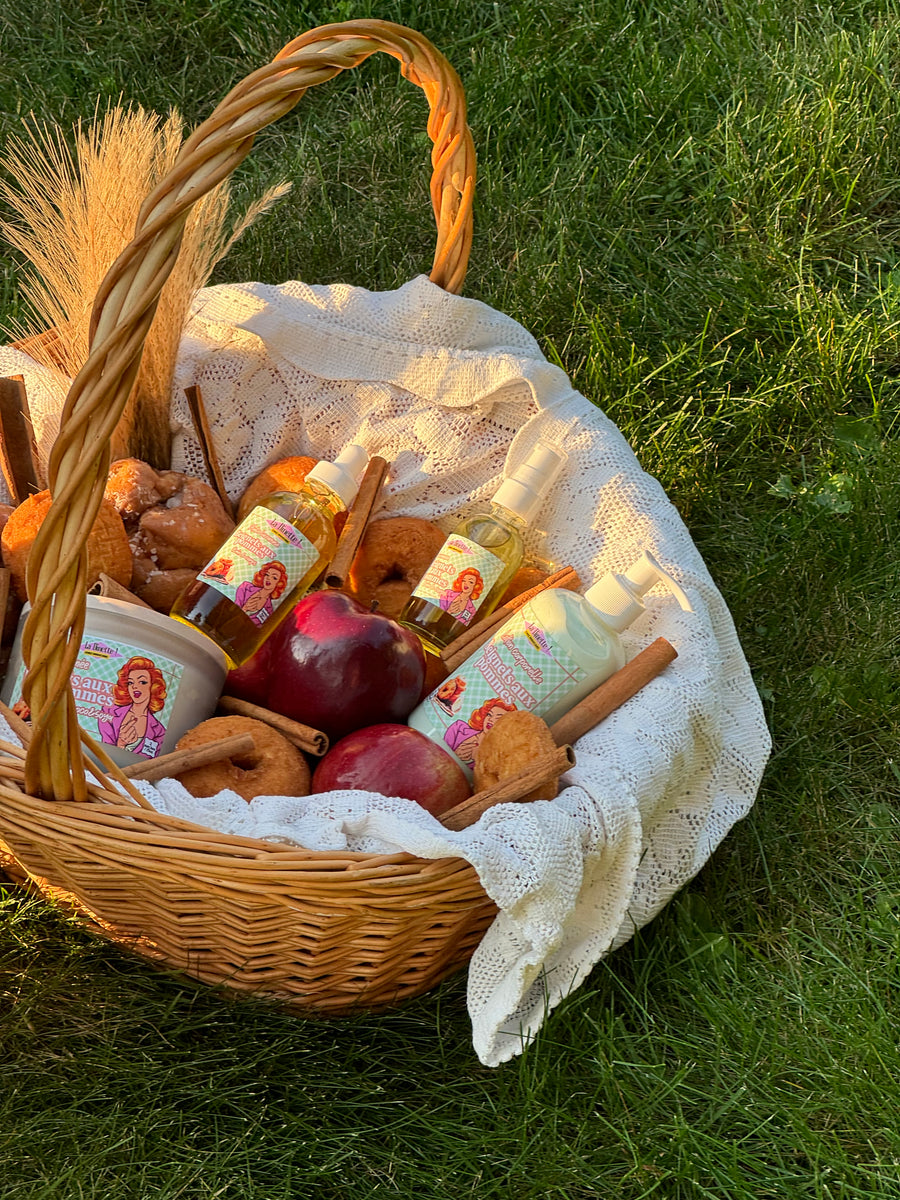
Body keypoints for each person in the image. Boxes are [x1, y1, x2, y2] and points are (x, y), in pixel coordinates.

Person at [98, 656, 168, 757]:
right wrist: (120, 744)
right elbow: (98, 751)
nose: (134, 686)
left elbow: (150, 763)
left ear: (153, 686)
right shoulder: (108, 711)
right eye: (130, 682)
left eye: (142, 682)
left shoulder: (159, 731)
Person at [443, 696, 516, 765]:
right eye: (489, 715)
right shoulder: (458, 727)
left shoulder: (492, 759)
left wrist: (479, 760)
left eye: (498, 719)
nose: (490, 720)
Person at [234, 561, 288, 625]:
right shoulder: (245, 587)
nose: (268, 578)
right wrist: (245, 608)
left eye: (274, 578)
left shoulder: (269, 610)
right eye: (267, 574)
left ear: (279, 583)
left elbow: (256, 627)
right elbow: (231, 611)